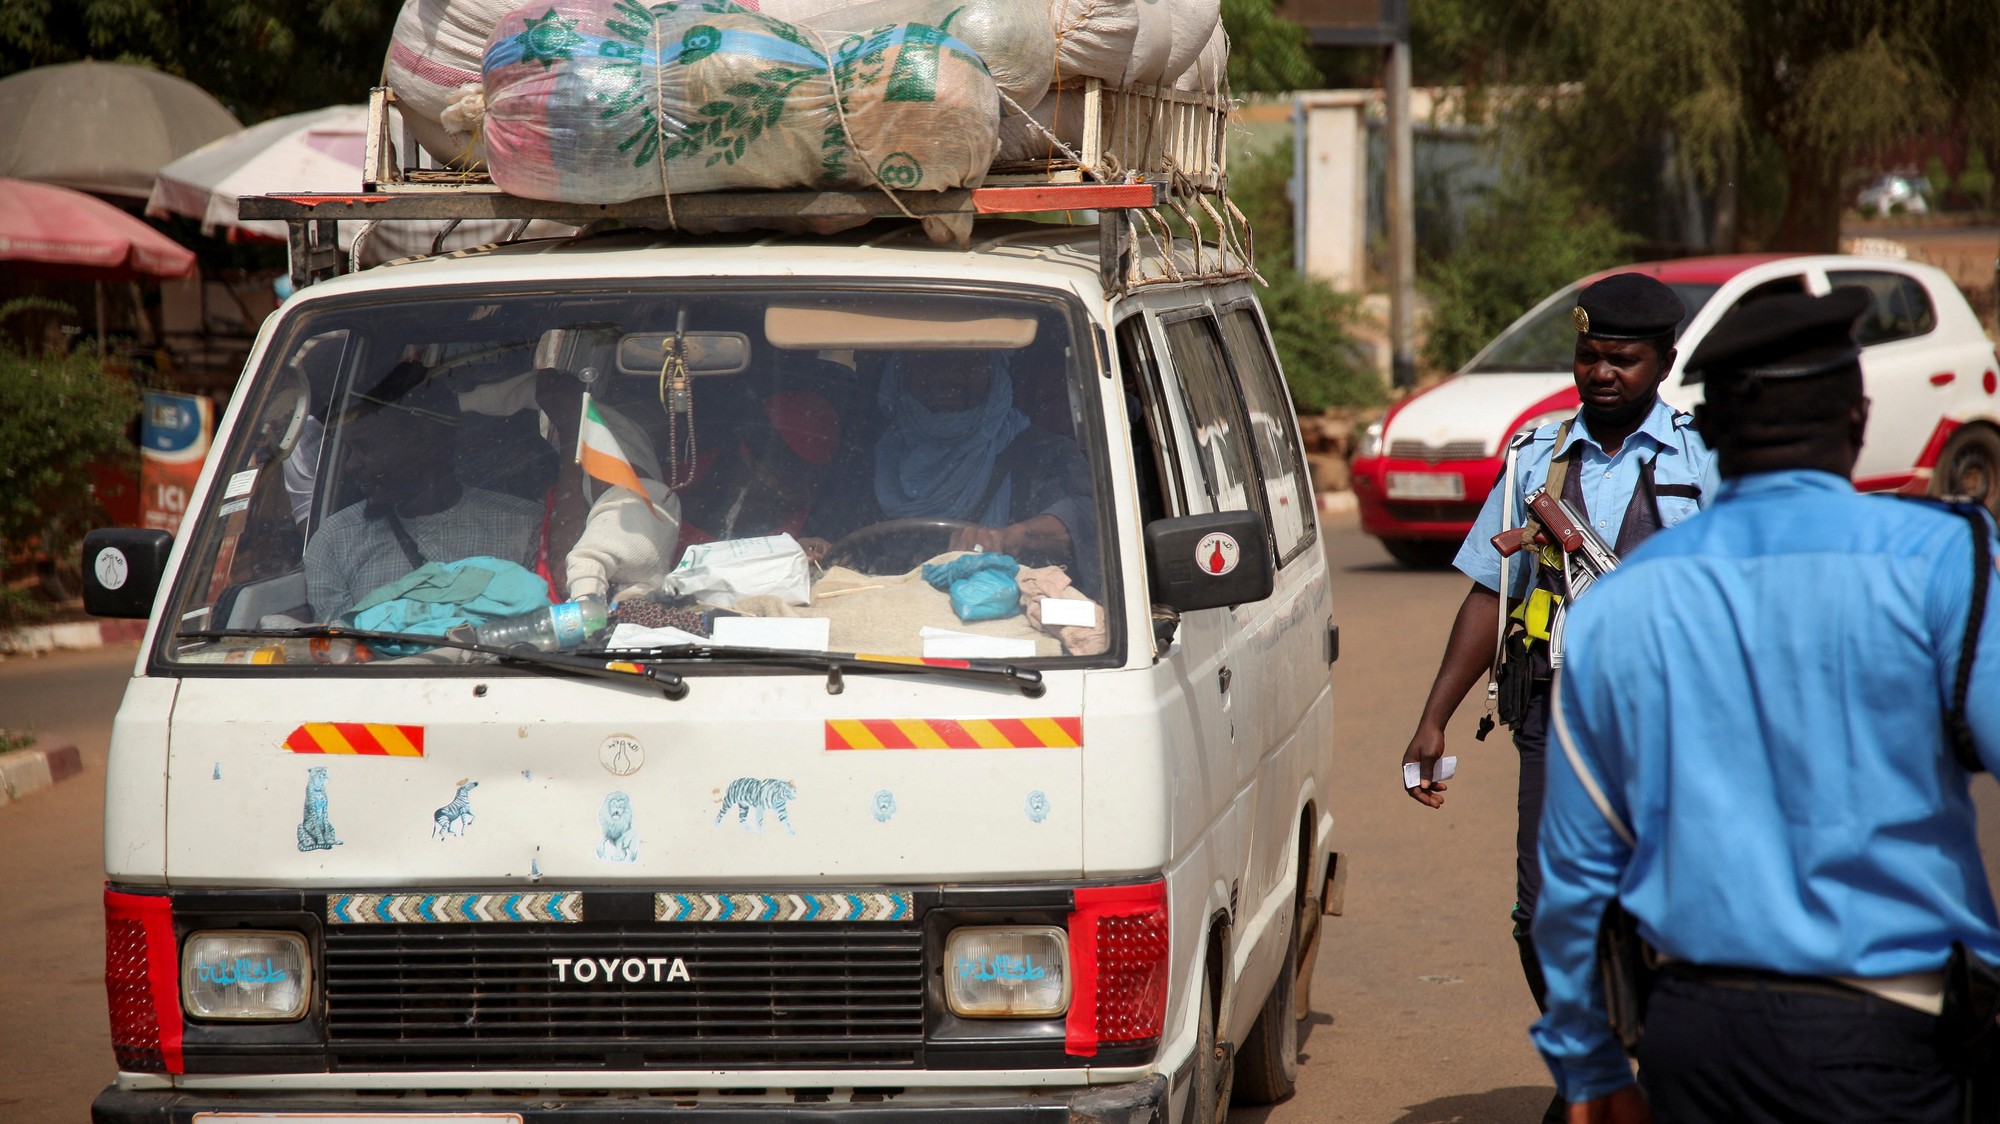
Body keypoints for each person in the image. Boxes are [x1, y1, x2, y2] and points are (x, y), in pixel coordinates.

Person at [1533, 287, 2000, 1123]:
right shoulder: (1949, 561)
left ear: (1708, 434)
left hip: (1693, 1041)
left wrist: (1589, 1061)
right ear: (1858, 420)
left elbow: (1573, 874)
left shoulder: (1618, 604)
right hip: (1897, 1037)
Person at [1396, 273, 1719, 1111]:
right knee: (1544, 914)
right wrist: (1433, 717)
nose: (1602, 373)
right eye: (1588, 356)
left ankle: (1638, 1076)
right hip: (1555, 712)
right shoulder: (1535, 456)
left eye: (1623, 360)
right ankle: (1602, 1065)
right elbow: (1485, 589)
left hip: (1673, 725)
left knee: (1669, 908)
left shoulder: (1702, 458)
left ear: (1664, 361)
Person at [811, 350, 1100, 589]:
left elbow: (1087, 522)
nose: (946, 375)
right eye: (928, 361)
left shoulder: (1043, 453)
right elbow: (832, 536)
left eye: (968, 361)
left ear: (995, 374)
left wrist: (1011, 536)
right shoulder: (864, 457)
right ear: (899, 375)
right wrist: (815, 549)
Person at [303, 361, 542, 620]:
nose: (351, 465)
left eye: (365, 448)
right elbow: (336, 650)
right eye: (349, 450)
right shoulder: (334, 541)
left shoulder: (523, 526)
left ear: (424, 436)